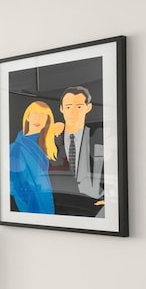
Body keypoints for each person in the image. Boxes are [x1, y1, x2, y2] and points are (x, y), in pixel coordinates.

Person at [49, 86, 105, 217]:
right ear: (61, 109)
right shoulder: (49, 138)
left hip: (94, 209)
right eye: (68, 107)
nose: (72, 112)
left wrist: (111, 199)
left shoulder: (100, 137)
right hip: (57, 208)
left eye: (78, 107)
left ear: (88, 107)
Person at [10, 100, 58, 214]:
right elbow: (16, 185)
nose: (38, 119)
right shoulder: (15, 148)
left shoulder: (46, 144)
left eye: (43, 116)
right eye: (35, 114)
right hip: (32, 209)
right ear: (27, 117)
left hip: (46, 204)